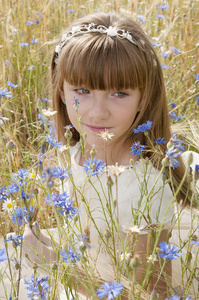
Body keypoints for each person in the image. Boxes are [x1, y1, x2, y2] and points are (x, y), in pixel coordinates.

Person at [22, 12, 197, 300]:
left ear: (144, 96)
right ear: (61, 91)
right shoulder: (76, 147)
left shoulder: (142, 187)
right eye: (83, 90)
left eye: (119, 93)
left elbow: (154, 296)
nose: (97, 112)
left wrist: (56, 264)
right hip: (82, 261)